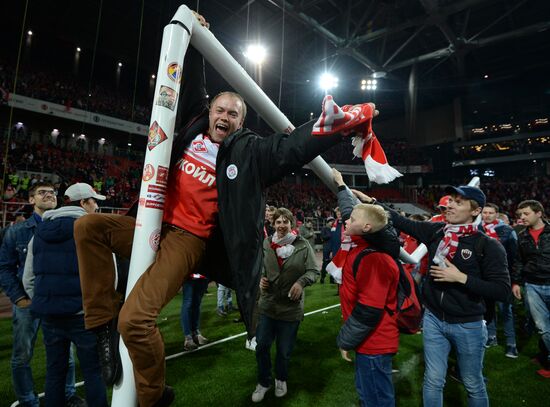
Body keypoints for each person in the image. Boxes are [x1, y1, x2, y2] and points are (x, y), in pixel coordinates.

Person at [74, 11, 371, 407]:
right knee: (88, 228)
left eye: (234, 114)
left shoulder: (248, 152)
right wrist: (195, 36)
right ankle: (100, 327)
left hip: (187, 239)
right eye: (220, 110)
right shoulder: (194, 126)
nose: (224, 117)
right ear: (209, 112)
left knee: (136, 320)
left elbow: (289, 149)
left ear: (242, 122)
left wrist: (331, 126)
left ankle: (153, 396)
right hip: (151, 223)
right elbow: (191, 82)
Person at [356, 185, 510, 407]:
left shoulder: (488, 245)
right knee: (433, 380)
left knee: (472, 382)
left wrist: (461, 278)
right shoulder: (437, 231)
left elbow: (502, 291)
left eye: (459, 202)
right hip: (434, 320)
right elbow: (401, 221)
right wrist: (371, 202)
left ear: (475, 211)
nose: (450, 205)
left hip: (468, 324)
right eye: (451, 200)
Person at [22, 182, 108, 407]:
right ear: (82, 203)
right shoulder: (91, 229)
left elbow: (28, 279)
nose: (96, 208)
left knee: (54, 372)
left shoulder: (39, 232)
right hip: (83, 315)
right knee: (93, 372)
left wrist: (47, 302)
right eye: (93, 202)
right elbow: (107, 276)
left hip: (50, 317)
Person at [0, 182, 80, 407]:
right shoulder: (16, 231)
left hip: (56, 301)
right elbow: (4, 267)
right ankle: (27, 400)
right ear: (31, 200)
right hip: (28, 303)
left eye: (52, 192)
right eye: (42, 193)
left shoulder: (68, 226)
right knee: (22, 356)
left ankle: (68, 394)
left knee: (66, 353)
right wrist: (19, 298)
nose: (49, 195)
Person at [331, 169, 400, 407]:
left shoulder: (374, 259)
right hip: (369, 340)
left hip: (374, 341)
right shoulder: (364, 240)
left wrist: (345, 340)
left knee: (376, 399)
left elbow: (369, 309)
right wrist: (341, 185)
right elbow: (351, 212)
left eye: (351, 220)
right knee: (367, 395)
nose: (345, 220)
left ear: (367, 227)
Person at [251, 207, 318, 402]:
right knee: (262, 346)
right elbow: (261, 267)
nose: (281, 226)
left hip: (290, 308)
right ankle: (263, 382)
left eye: (285, 222)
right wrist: (261, 279)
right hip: (268, 305)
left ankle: (281, 379)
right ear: (273, 225)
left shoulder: (303, 245)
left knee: (283, 351)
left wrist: (301, 282)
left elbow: (313, 271)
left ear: (291, 224)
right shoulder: (266, 243)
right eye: (278, 222)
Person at [512, 199, 550, 378]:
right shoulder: (522, 236)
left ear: (539, 214)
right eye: (520, 214)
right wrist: (516, 282)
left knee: (545, 327)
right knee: (541, 326)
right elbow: (519, 261)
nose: (522, 217)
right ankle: (544, 356)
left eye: (526, 214)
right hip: (532, 285)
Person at [480, 203, 519, 357]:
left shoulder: (507, 231)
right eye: (485, 212)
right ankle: (491, 336)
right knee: (488, 308)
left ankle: (511, 344)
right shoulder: (478, 229)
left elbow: (514, 255)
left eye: (491, 213)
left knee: (505, 311)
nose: (487, 215)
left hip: (503, 276)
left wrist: (514, 279)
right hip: (485, 276)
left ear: (497, 214)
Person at [181, 275, 209, 351]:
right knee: (188, 303)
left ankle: (196, 333)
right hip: (189, 274)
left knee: (197, 304)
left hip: (203, 275)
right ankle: (188, 338)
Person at [320, 217, 334, 283]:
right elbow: (323, 237)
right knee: (325, 263)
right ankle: (322, 277)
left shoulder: (334, 229)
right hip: (326, 249)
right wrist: (330, 234)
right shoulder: (324, 228)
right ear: (328, 222)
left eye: (333, 221)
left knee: (333, 263)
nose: (332, 222)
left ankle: (332, 279)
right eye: (331, 221)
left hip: (333, 248)